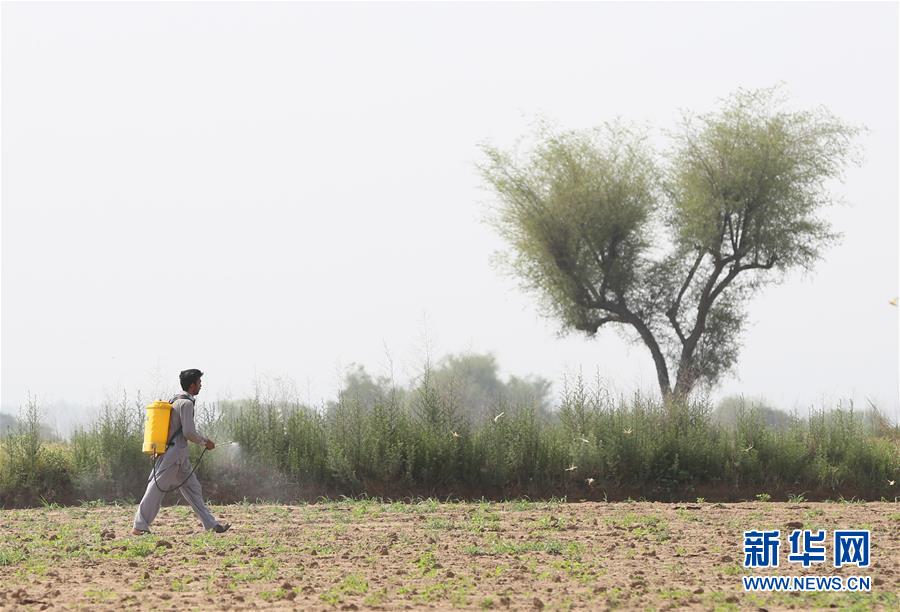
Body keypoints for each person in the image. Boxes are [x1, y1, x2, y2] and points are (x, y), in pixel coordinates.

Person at [132, 369, 230, 535]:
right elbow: (188, 432)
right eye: (199, 382)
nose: (201, 385)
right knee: (156, 488)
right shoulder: (186, 404)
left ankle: (212, 525)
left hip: (177, 454)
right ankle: (139, 526)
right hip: (174, 455)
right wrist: (205, 442)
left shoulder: (174, 400)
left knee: (193, 488)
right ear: (192, 385)